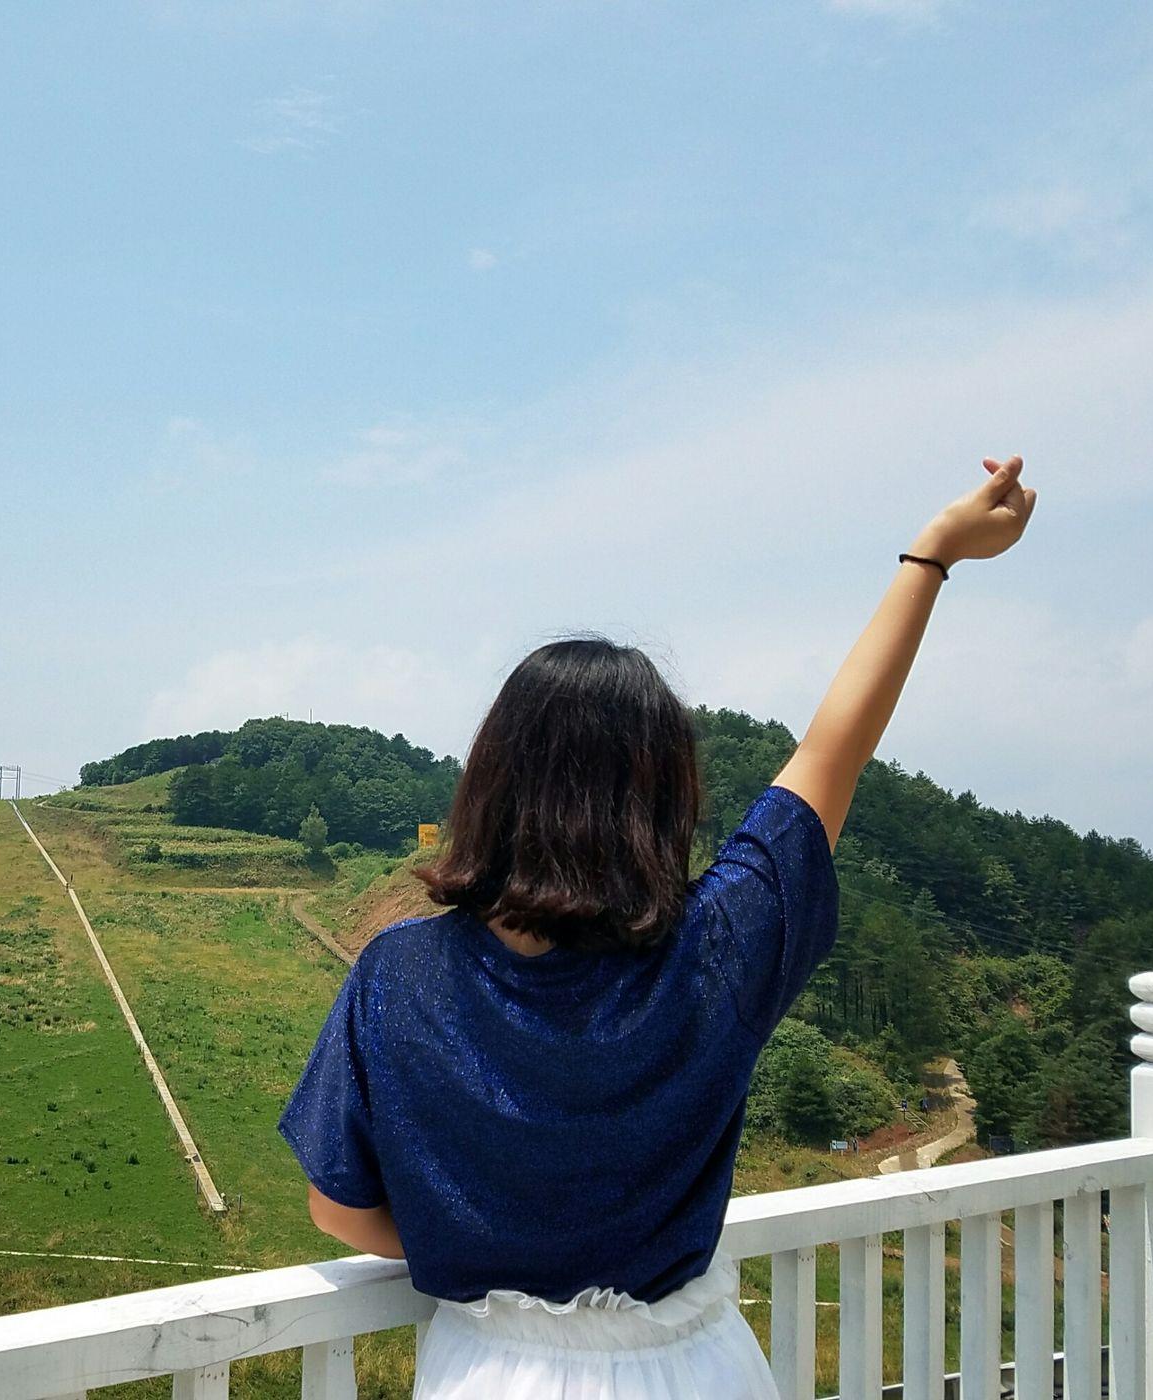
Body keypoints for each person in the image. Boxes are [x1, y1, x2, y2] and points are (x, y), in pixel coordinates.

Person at [278, 458, 1036, 1398]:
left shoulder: (399, 974)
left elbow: (337, 1208)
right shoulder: (718, 948)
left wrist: (484, 1244)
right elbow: (832, 747)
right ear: (661, 795)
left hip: (484, 1373)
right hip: (696, 1370)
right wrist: (931, 556)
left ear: (491, 778)